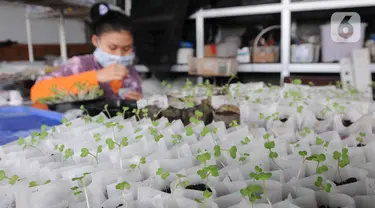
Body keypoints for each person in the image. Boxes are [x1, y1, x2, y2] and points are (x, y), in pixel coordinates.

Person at [30, 3, 142, 104]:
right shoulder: (80, 65)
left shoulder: (130, 71)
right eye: (112, 47)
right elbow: (37, 92)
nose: (119, 54)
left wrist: (132, 101)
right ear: (95, 41)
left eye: (126, 48)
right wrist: (96, 76)